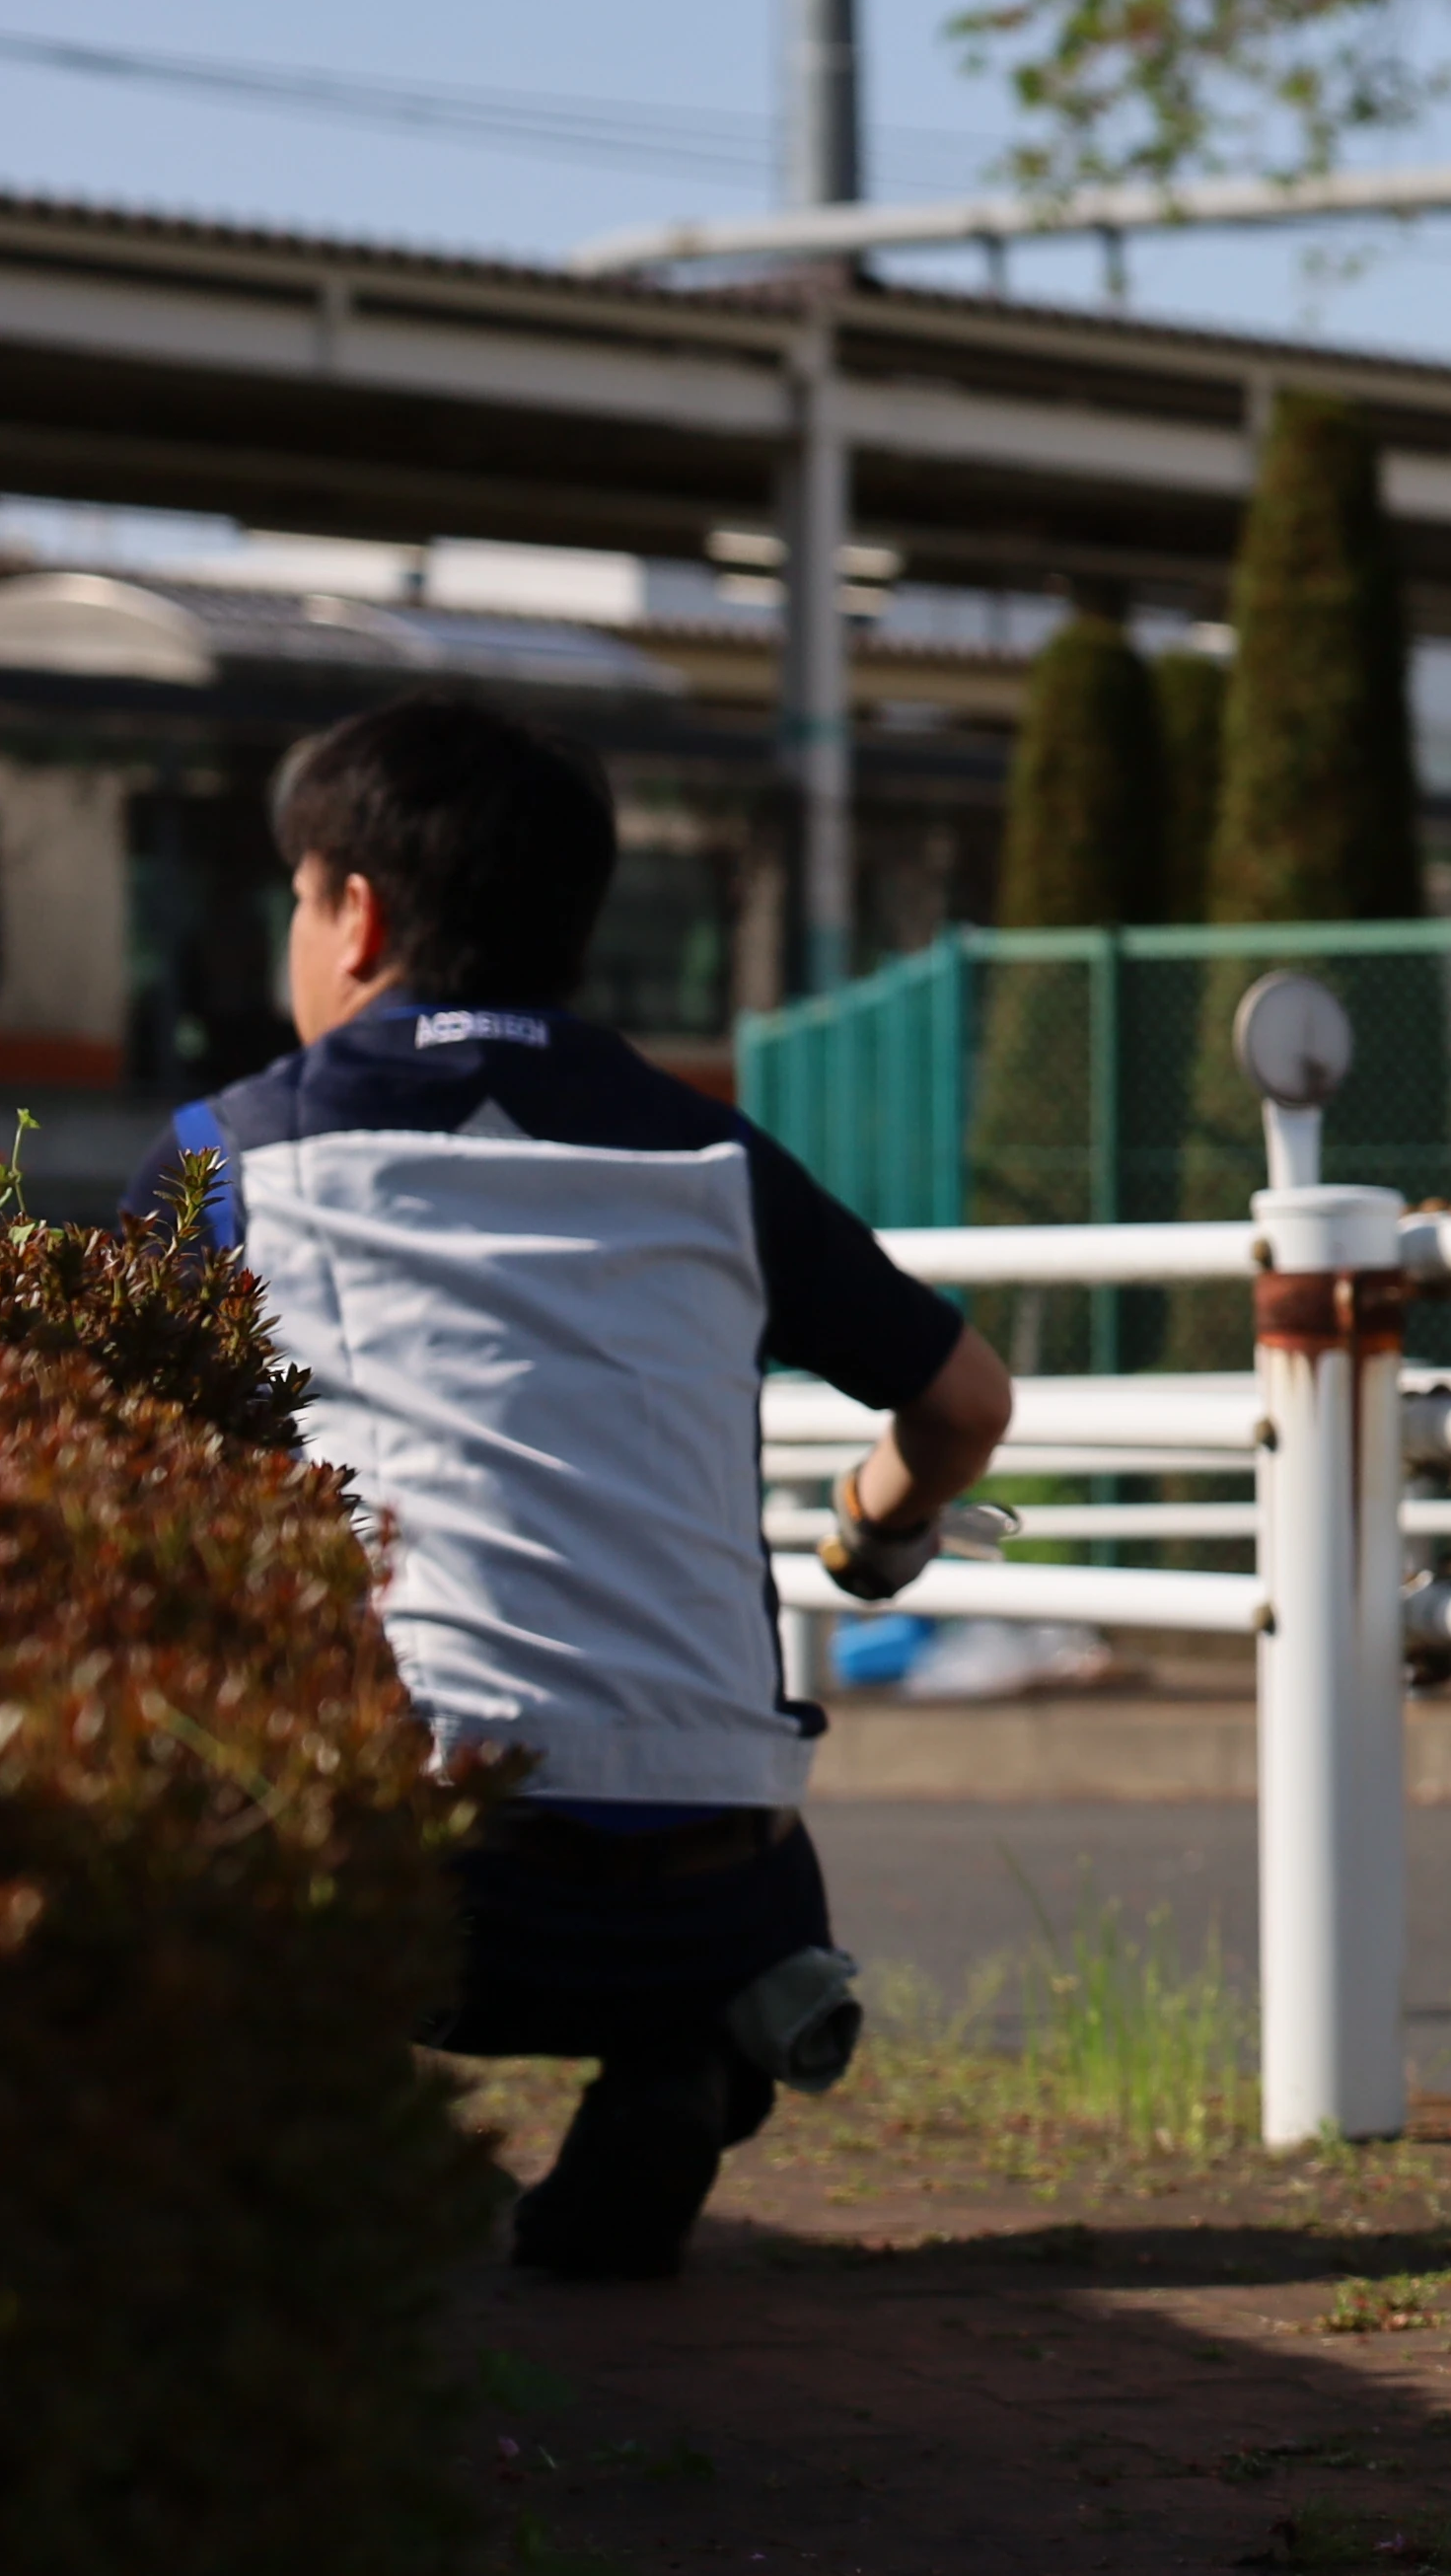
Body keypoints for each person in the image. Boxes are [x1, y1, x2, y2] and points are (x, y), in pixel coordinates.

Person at [133, 695, 1016, 2275]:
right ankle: (686, 2066)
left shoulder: (234, 1160)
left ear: (360, 914)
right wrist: (876, 1535)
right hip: (710, 1901)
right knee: (741, 1843)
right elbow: (962, 1400)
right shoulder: (710, 1162)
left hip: (409, 1900)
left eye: (297, 896)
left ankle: (297, 2141)